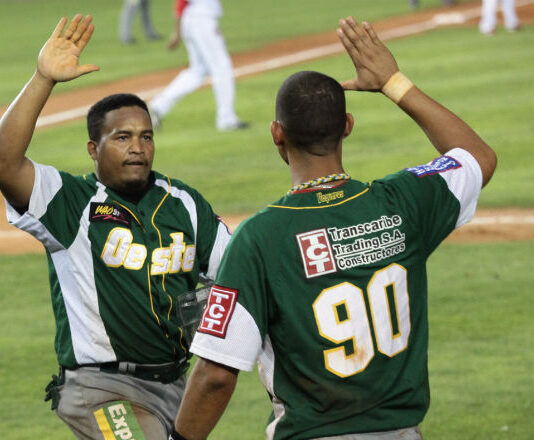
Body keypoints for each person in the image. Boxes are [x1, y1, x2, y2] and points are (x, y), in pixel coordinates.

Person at [169, 16, 497, 440]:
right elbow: (477, 156)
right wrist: (393, 82)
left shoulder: (260, 238)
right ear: (347, 126)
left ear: (277, 134)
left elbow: (215, 374)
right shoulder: (404, 202)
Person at [0, 15, 231, 440]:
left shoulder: (184, 203)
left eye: (146, 137)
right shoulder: (69, 202)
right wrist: (42, 79)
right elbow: (5, 162)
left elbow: (237, 274)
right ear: (94, 148)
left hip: (178, 386)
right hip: (100, 387)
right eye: (122, 138)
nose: (137, 148)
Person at [149, 0, 248, 131]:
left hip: (192, 18)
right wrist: (177, 30)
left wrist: (177, 30)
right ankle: (226, 119)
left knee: (197, 71)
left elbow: (181, 3)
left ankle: (158, 106)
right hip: (202, 19)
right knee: (221, 68)